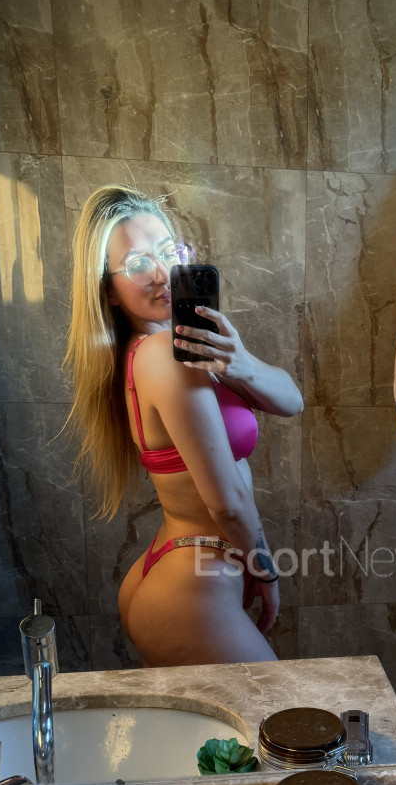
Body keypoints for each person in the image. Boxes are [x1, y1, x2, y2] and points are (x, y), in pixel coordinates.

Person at [63, 185, 303, 667]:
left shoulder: (164, 349)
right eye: (137, 264)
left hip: (175, 564)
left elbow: (291, 401)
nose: (161, 274)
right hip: (190, 588)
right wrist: (266, 571)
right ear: (107, 290)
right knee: (274, 713)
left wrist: (239, 363)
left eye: (168, 252)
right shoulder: (162, 356)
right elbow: (226, 499)